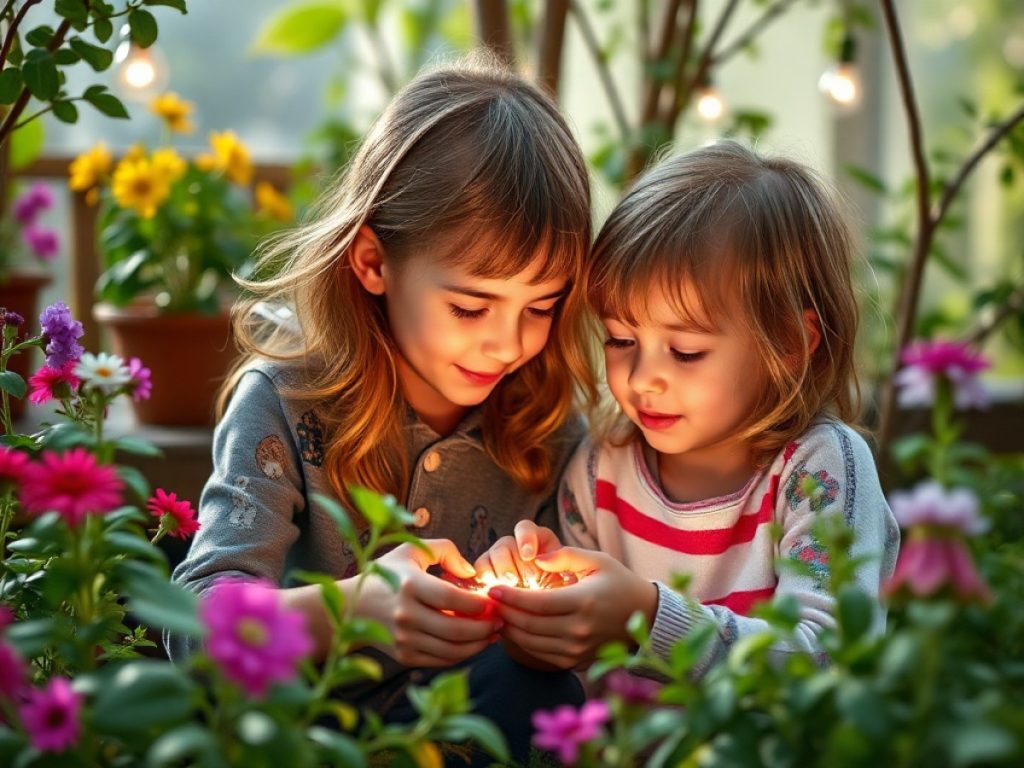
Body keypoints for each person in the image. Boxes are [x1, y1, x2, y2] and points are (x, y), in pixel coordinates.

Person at [167, 53, 597, 763]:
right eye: (470, 304)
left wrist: (542, 607)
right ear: (372, 261)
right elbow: (193, 629)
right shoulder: (284, 403)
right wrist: (353, 609)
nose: (508, 342)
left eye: (542, 306)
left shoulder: (547, 428)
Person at [475, 140, 901, 677]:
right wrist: (527, 610)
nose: (642, 377)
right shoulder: (600, 466)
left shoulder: (818, 470)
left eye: (686, 351)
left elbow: (830, 660)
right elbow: (574, 675)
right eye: (619, 340)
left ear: (790, 342)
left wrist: (649, 617)